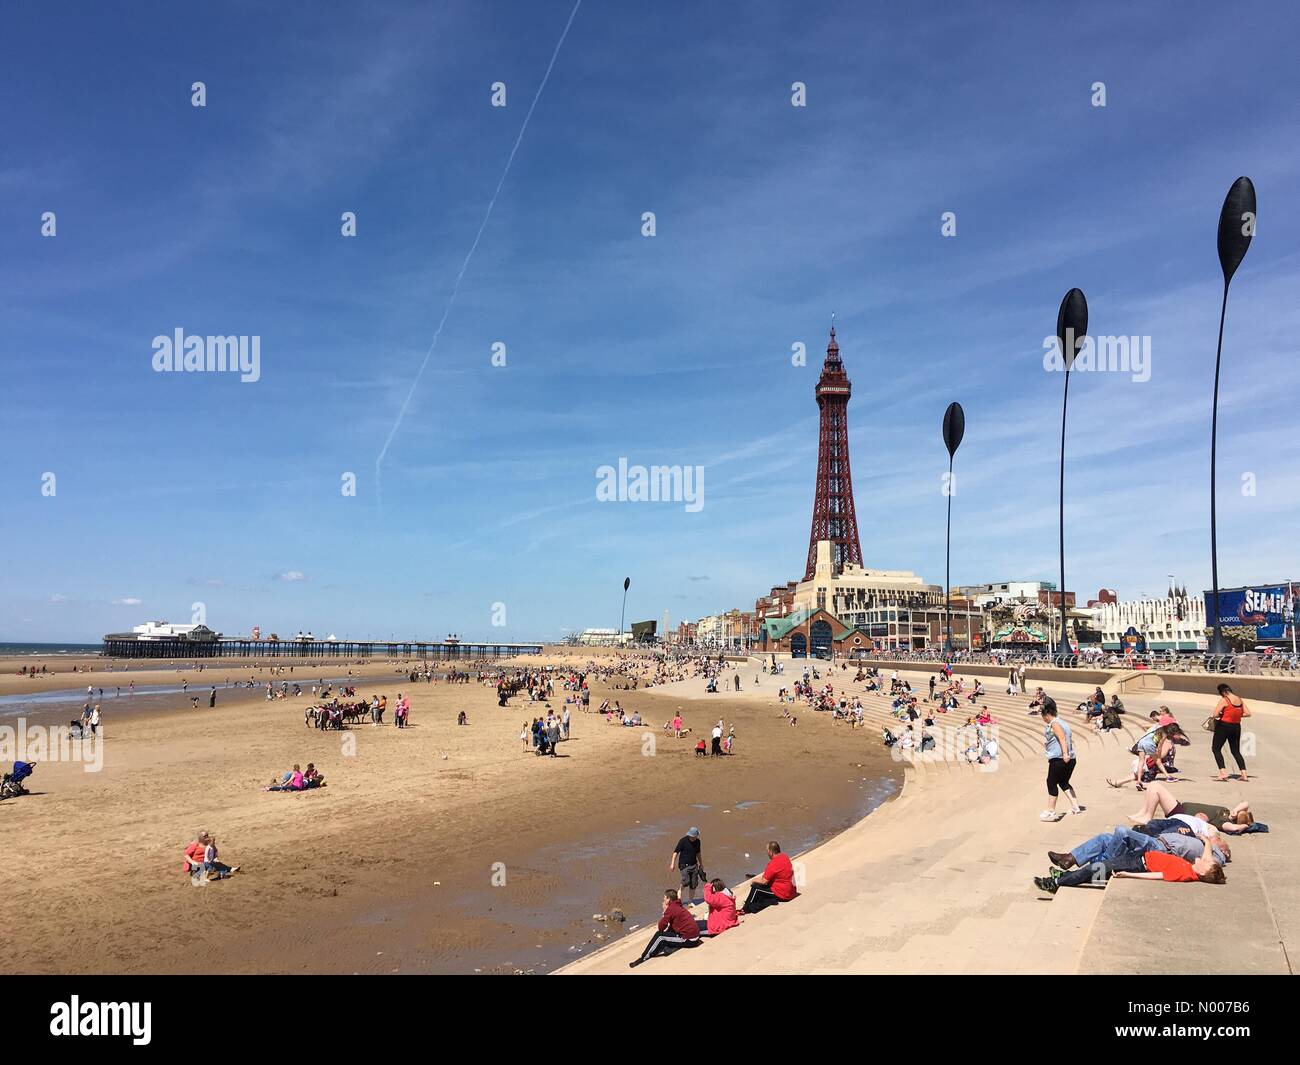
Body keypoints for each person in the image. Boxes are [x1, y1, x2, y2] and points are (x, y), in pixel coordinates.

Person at [1036, 831, 1224, 892]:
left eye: (1207, 863)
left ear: (1202, 872)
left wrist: (1128, 874)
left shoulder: (1185, 874)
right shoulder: (1195, 867)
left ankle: (1056, 882)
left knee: (1097, 868)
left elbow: (1157, 876)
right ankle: (1067, 872)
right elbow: (1208, 857)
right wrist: (1207, 841)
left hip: (1138, 864)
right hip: (1139, 857)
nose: (1206, 859)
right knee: (1101, 862)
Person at [628, 889, 702, 968]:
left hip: (689, 939)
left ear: (668, 900)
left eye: (664, 898)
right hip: (694, 937)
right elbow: (672, 926)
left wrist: (664, 913)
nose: (663, 900)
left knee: (659, 936)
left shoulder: (671, 909)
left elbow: (661, 928)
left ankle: (643, 958)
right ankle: (654, 950)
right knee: (666, 934)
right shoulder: (678, 905)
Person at [1040, 700, 1082, 821]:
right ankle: (1075, 807)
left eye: (1043, 717)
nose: (1043, 719)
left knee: (1051, 782)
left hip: (1060, 758)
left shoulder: (1054, 724)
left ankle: (1051, 811)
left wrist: (1064, 754)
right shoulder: (1062, 722)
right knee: (1063, 782)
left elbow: (1062, 738)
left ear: (1047, 714)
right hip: (1071, 758)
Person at [739, 841, 797, 914]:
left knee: (755, 888)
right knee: (762, 888)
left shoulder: (773, 863)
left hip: (783, 894)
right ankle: (767, 901)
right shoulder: (784, 857)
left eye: (767, 851)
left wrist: (753, 880)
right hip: (791, 891)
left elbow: (764, 881)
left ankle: (745, 909)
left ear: (771, 852)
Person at [1210, 683, 1250, 781]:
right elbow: (1248, 713)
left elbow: (1215, 715)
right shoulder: (1239, 700)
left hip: (1224, 726)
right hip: (1236, 727)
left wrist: (1224, 714)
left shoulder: (1224, 700)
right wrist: (1234, 715)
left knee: (1216, 749)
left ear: (1223, 692)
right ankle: (1244, 774)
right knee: (1235, 751)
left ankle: (1223, 772)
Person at [670, 827, 704, 906]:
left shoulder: (698, 842)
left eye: (695, 837)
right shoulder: (683, 841)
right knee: (686, 881)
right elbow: (675, 852)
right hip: (683, 865)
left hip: (694, 865)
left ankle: (690, 902)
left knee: (693, 884)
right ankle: (679, 893)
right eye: (692, 837)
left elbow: (698, 853)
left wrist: (701, 864)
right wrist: (672, 864)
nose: (694, 838)